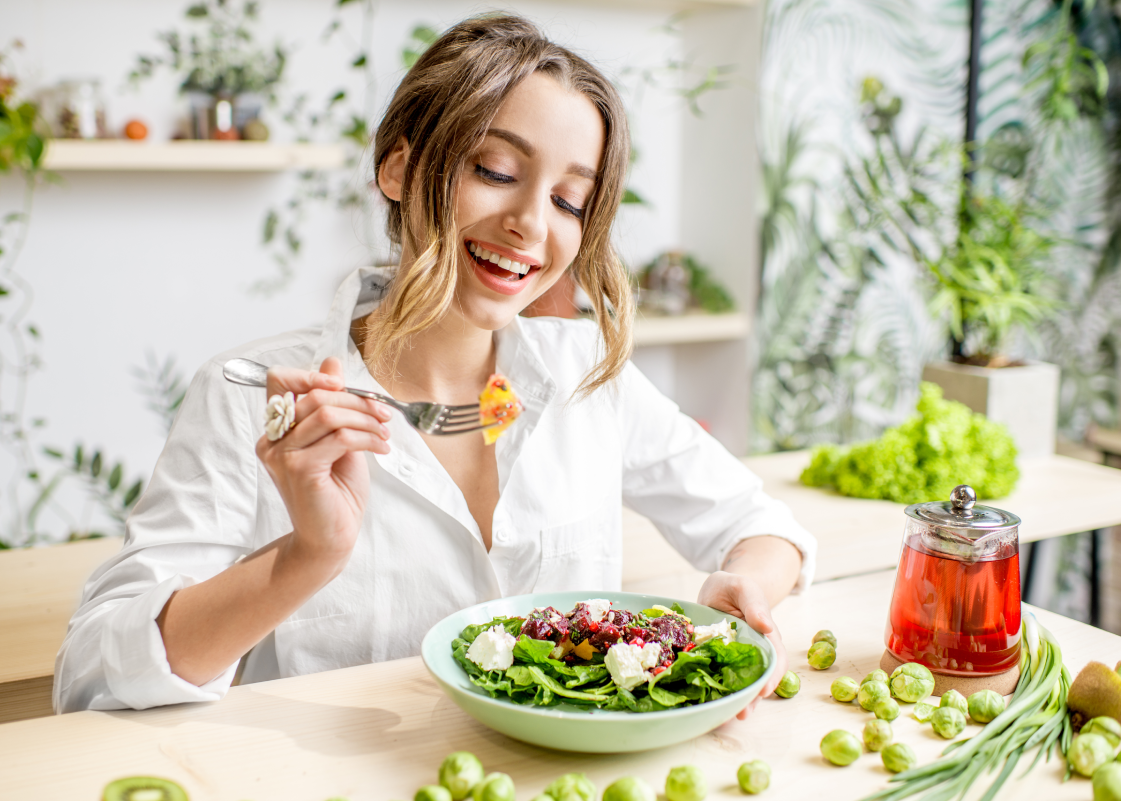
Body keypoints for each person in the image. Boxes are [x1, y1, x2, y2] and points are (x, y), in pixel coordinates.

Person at [53, 14, 816, 718]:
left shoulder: (588, 374)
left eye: (570, 200)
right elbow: (92, 673)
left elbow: (759, 524)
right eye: (493, 169)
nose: (529, 224)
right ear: (399, 169)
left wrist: (743, 589)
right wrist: (307, 553)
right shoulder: (253, 393)